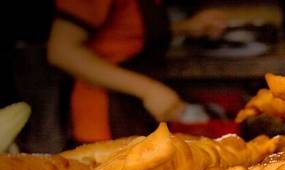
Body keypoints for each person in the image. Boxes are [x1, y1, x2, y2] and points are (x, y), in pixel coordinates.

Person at [48, 0, 226, 143]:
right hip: (105, 121)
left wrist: (187, 27)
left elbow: (125, 30)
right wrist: (149, 90)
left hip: (139, 113)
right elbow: (62, 51)